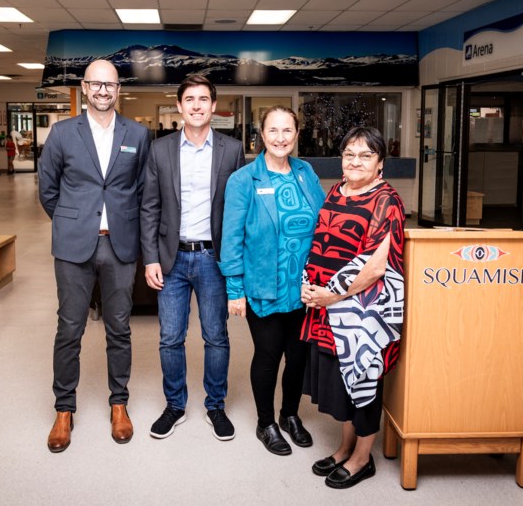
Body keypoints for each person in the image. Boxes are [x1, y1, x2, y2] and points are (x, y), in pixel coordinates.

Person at [38, 59, 150, 452]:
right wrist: (74, 221)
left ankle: (119, 404)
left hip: (120, 246)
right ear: (85, 88)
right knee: (70, 329)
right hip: (73, 246)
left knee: (119, 329)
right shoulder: (63, 133)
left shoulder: (138, 132)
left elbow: (140, 189)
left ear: (119, 89)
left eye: (111, 85)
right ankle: (64, 409)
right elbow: (48, 188)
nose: (104, 91)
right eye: (96, 84)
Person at [300, 126, 406, 489]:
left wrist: (332, 296)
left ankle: (363, 458)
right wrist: (312, 288)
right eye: (349, 154)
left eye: (365, 155)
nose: (355, 161)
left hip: (361, 311)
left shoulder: (386, 200)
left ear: (380, 164)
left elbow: (376, 266)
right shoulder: (337, 190)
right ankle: (345, 447)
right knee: (341, 380)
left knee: (363, 377)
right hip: (328, 307)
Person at [140, 76, 245, 441]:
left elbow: (238, 212)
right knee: (170, 338)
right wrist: (150, 257)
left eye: (204, 99)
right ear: (179, 106)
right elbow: (149, 207)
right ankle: (175, 405)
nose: (197, 105)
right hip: (172, 259)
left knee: (216, 336)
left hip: (214, 259)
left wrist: (237, 265)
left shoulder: (232, 150)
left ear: (214, 106)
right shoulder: (161, 150)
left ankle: (215, 405)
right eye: (190, 99)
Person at [219, 106, 325, 456]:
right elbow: (231, 238)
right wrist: (235, 291)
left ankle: (290, 415)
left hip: (304, 288)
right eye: (273, 131)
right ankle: (266, 422)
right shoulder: (244, 180)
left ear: (297, 134)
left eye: (287, 131)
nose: (281, 138)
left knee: (297, 357)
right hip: (264, 287)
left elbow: (323, 221)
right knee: (269, 355)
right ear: (261, 135)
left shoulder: (305, 172)